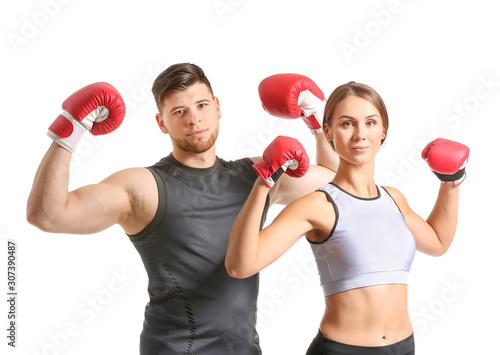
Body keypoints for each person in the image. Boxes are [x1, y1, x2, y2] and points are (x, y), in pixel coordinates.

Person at [26, 63, 338, 354]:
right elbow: (48, 214)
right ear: (162, 123)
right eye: (179, 111)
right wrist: (70, 130)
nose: (194, 119)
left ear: (217, 108)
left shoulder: (256, 176)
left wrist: (315, 116)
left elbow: (333, 179)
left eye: (202, 106)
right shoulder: (143, 186)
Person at [225, 81, 469, 355]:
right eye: (347, 124)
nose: (360, 135)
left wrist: (451, 182)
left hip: (404, 347)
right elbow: (240, 266)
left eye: (370, 122)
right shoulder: (317, 204)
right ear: (328, 131)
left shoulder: (394, 199)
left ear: (383, 131)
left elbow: (437, 243)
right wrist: (264, 183)